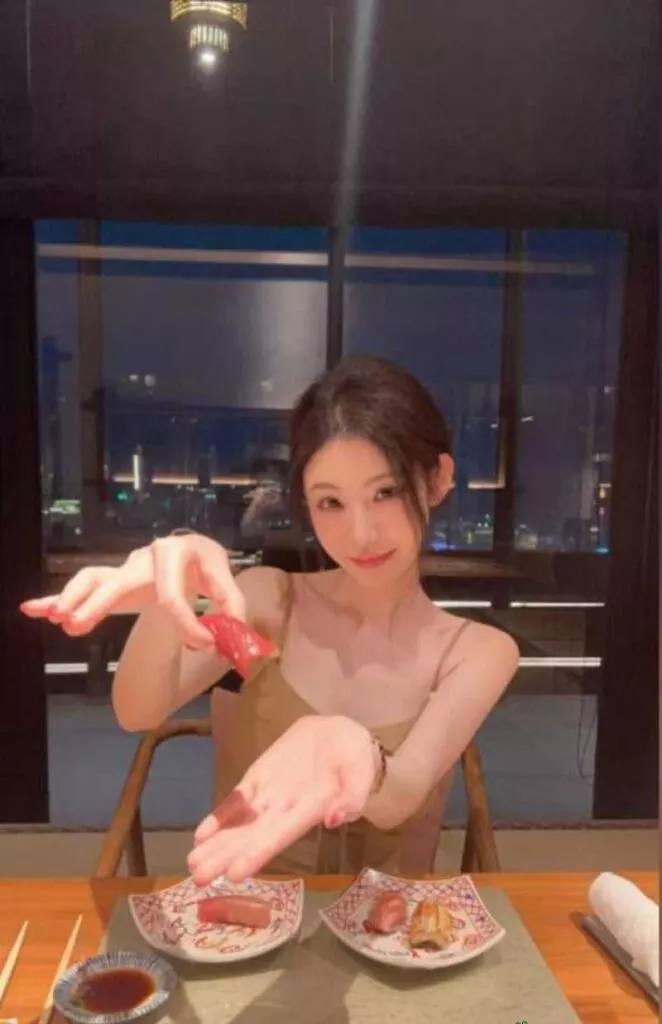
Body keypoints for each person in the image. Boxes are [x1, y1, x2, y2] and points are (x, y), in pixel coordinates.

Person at [21, 356, 519, 885]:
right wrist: (172, 600)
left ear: (438, 479)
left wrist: (355, 750)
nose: (360, 534)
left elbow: (400, 796)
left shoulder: (475, 652)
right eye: (330, 502)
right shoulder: (269, 603)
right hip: (248, 908)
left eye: (386, 492)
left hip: (386, 925)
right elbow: (139, 709)